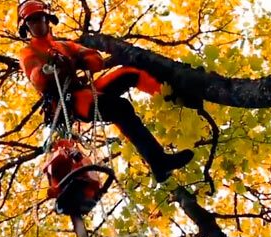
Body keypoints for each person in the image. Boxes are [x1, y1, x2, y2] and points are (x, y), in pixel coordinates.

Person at [17, 0, 194, 183]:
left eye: (40, 18)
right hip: (69, 101)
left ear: (48, 19)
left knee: (130, 74)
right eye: (32, 21)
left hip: (84, 89)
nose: (38, 23)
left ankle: (176, 96)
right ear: (26, 27)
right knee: (120, 107)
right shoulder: (28, 51)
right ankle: (159, 162)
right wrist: (50, 67)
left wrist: (81, 60)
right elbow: (35, 77)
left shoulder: (66, 46)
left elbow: (96, 59)